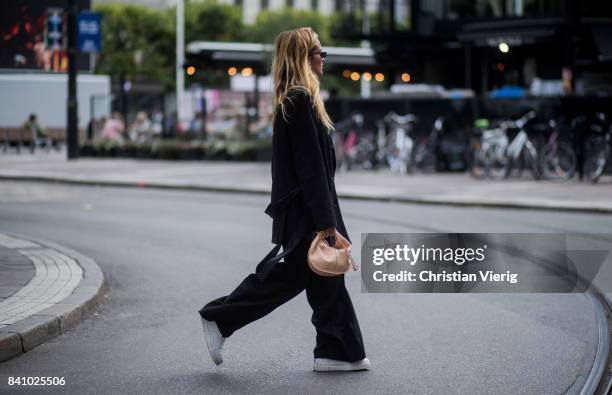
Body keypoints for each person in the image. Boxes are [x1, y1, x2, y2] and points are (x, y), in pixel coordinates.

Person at [198, 27, 370, 372]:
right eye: (319, 52)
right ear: (303, 59)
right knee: (290, 276)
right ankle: (220, 319)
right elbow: (310, 170)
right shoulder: (299, 100)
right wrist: (325, 221)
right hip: (308, 210)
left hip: (310, 207)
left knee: (328, 275)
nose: (324, 58)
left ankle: (336, 352)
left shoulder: (300, 100)